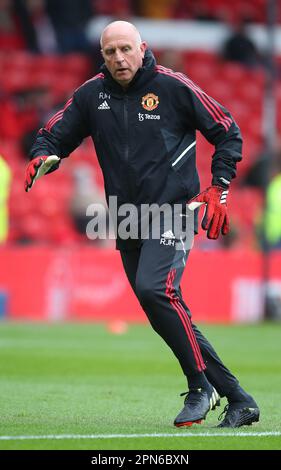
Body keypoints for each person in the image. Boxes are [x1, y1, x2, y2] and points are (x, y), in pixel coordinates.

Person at [24, 20, 260, 428]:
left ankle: (200, 387)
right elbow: (54, 134)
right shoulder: (90, 95)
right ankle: (239, 399)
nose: (118, 58)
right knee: (164, 308)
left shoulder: (173, 86)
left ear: (142, 47)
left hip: (174, 210)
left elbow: (227, 131)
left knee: (155, 290)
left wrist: (219, 186)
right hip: (128, 218)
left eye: (125, 49)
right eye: (110, 51)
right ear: (102, 56)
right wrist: (44, 153)